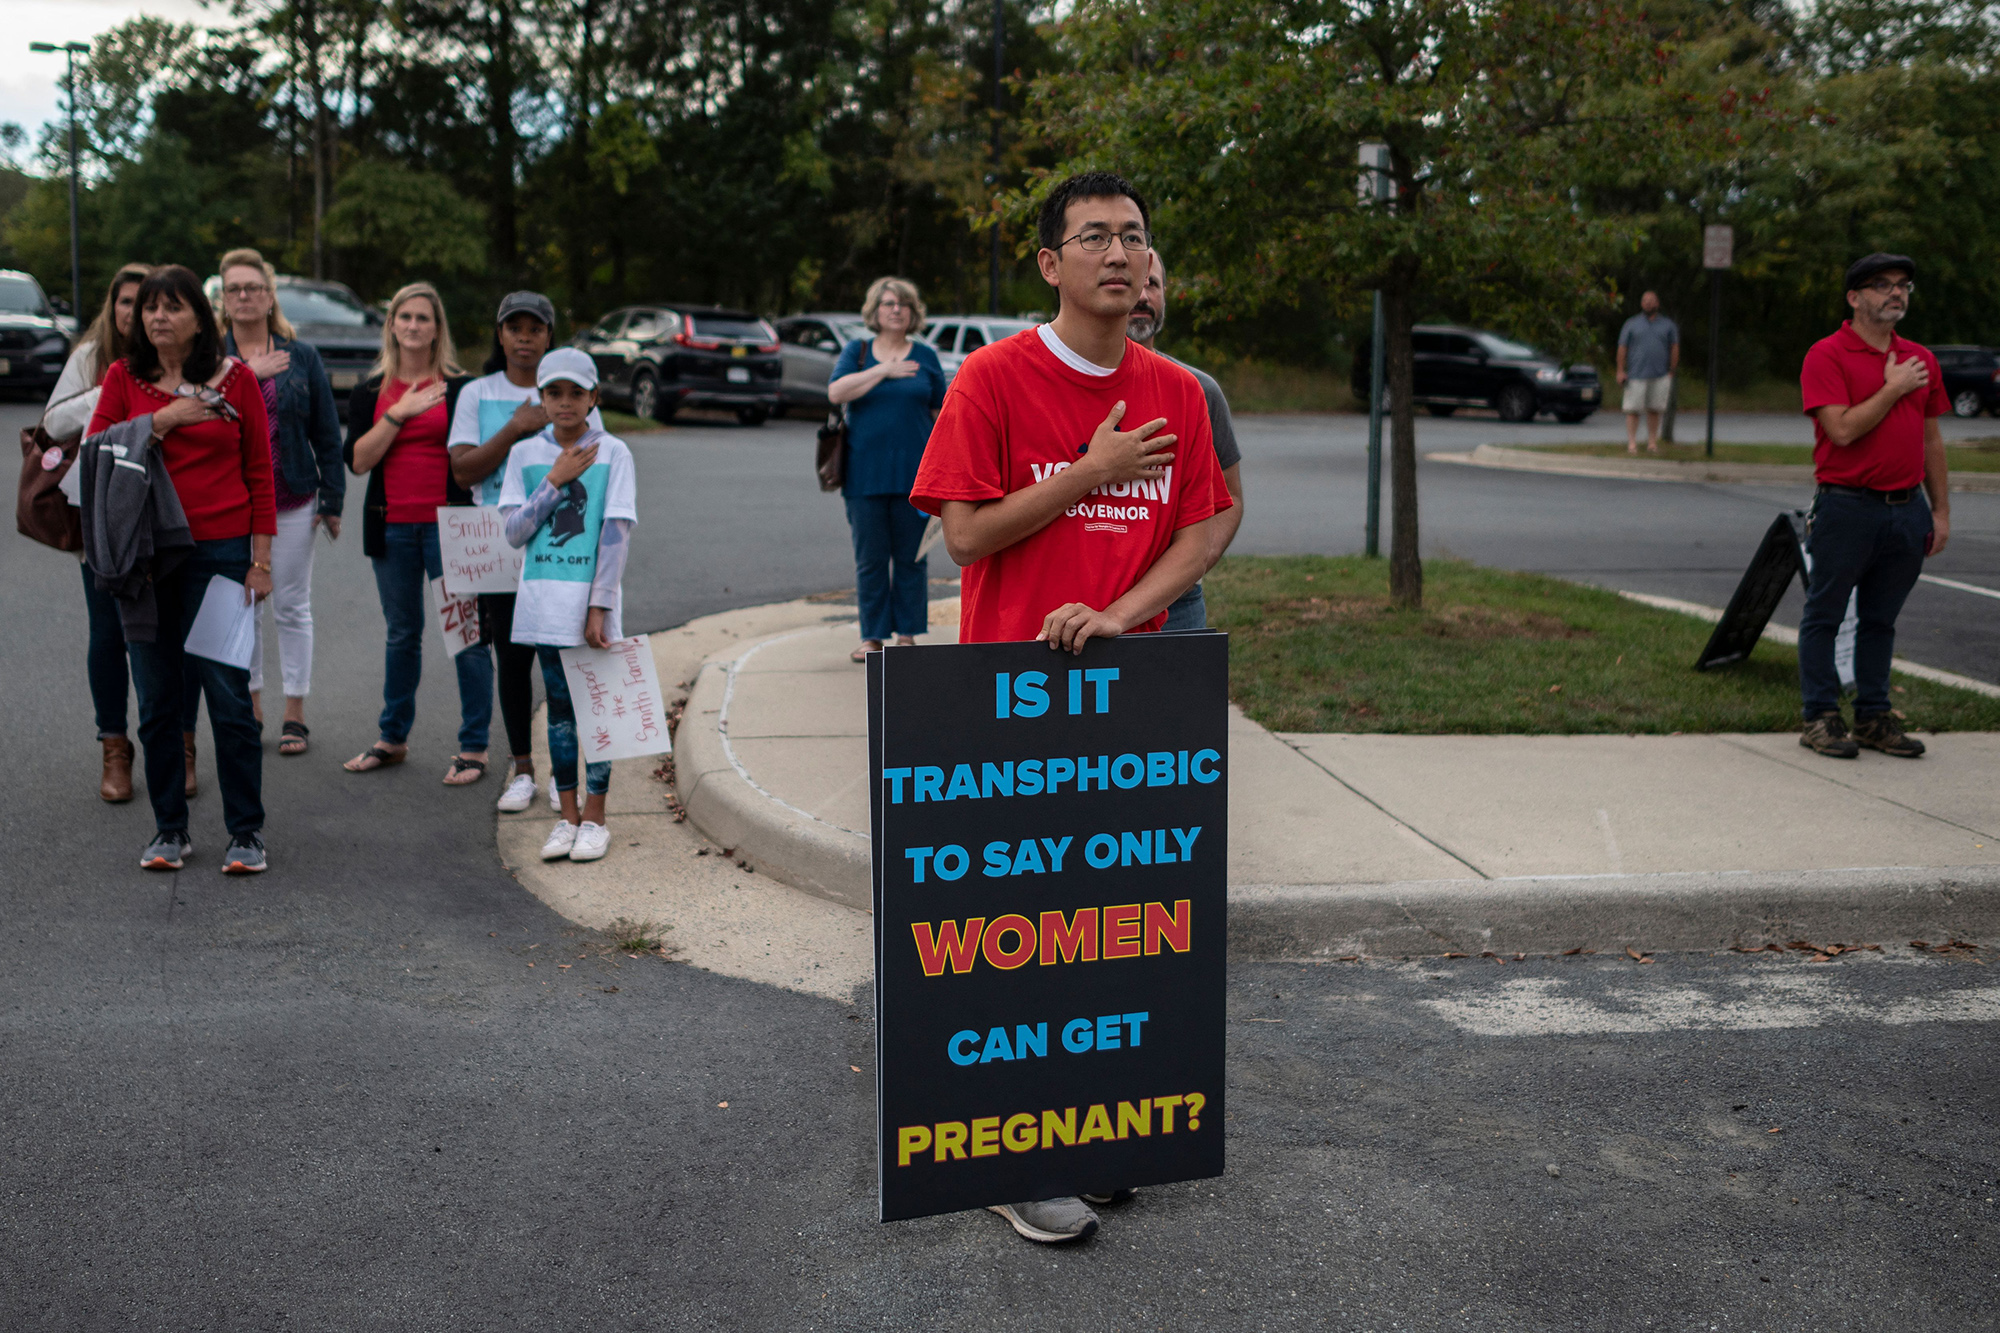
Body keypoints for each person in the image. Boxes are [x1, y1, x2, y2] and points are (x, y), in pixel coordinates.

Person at [909, 170, 1231, 1244]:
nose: (1115, 253)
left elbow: (1207, 526)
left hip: (1127, 698)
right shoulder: (992, 380)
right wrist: (1088, 472)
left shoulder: (1175, 390)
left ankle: (1087, 1135)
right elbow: (962, 537)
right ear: (1050, 264)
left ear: (1147, 264)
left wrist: (1124, 611)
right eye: (1090, 236)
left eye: (1131, 236)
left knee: (1107, 938)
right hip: (1006, 702)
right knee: (1016, 935)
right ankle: (1011, 1159)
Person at [85, 265, 275, 873]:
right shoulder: (123, 377)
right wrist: (165, 421)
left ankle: (246, 833)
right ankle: (170, 829)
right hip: (145, 559)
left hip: (220, 556)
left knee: (227, 697)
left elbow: (260, 474)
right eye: (148, 308)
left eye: (171, 307)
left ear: (201, 318)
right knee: (160, 701)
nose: (157, 317)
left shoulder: (237, 380)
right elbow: (94, 451)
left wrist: (261, 562)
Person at [184, 248, 343, 767]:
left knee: (292, 605)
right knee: (242, 607)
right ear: (223, 301)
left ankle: (294, 708)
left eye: (254, 287)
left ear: (270, 296)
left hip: (294, 496)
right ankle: (250, 705)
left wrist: (333, 496)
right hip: (233, 502)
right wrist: (246, 373)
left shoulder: (303, 357)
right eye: (235, 289)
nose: (245, 296)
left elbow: (325, 429)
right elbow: (194, 414)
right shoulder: (206, 361)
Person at [449, 291, 603, 814]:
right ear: (500, 335)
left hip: (562, 543)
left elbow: (598, 469)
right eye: (513, 328)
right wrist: (516, 427)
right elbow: (464, 471)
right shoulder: (477, 393)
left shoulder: (573, 398)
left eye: (534, 329)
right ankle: (522, 769)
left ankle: (570, 774)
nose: (523, 338)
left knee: (568, 658)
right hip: (497, 540)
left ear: (548, 336)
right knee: (511, 660)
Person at [1795, 252, 1949, 760]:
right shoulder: (1827, 355)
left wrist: (1940, 510)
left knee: (1881, 620)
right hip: (1846, 507)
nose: (1896, 293)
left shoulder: (1920, 358)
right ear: (1855, 297)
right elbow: (1839, 430)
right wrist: (1892, 388)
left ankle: (1873, 718)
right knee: (1826, 615)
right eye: (1882, 285)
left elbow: (1931, 440)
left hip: (1906, 511)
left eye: (1903, 284)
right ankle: (1819, 717)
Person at [341, 282, 489, 782]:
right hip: (393, 527)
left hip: (452, 527)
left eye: (423, 318)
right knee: (402, 635)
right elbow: (359, 462)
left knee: (465, 636)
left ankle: (474, 747)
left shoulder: (463, 388)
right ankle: (392, 738)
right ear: (392, 325)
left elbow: (479, 459)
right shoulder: (369, 390)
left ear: (436, 328)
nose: (412, 326)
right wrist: (398, 414)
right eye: (404, 317)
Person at [497, 348, 638, 864]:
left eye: (576, 393)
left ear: (593, 397)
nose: (564, 403)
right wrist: (554, 480)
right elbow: (513, 532)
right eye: (553, 393)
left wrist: (598, 605)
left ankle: (596, 820)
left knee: (596, 709)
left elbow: (616, 531)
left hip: (590, 605)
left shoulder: (615, 452)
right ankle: (568, 818)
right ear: (540, 397)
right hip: (543, 605)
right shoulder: (525, 455)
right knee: (558, 711)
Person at [43, 261, 152, 803]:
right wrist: (109, 386)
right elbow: (54, 423)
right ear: (113, 307)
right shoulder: (91, 357)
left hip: (165, 516)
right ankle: (114, 746)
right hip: (100, 515)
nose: (135, 312)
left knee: (163, 636)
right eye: (126, 301)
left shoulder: (179, 355)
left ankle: (178, 745)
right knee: (108, 634)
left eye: (147, 300)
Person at [827, 277, 947, 661]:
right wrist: (883, 371)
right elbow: (836, 392)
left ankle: (907, 635)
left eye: (903, 304)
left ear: (912, 313)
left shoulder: (925, 356)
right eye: (888, 303)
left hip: (916, 477)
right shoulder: (858, 351)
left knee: (912, 557)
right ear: (875, 312)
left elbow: (940, 413)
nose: (896, 309)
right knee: (871, 559)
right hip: (864, 476)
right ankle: (872, 637)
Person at [1126, 251, 1245, 630]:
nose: (1143, 296)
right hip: (1082, 599)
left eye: (1154, 284)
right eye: (1135, 282)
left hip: (1176, 610)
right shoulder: (1070, 385)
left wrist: (1185, 571)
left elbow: (1229, 500)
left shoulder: (1198, 390)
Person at [1616, 291, 1679, 455]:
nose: (1648, 303)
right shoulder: (1631, 324)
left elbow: (1674, 347)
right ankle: (1632, 444)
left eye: (1651, 301)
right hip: (1636, 375)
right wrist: (1620, 370)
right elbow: (1622, 348)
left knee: (1654, 409)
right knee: (1633, 410)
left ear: (1657, 303)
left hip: (1659, 375)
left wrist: (1672, 370)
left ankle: (1652, 443)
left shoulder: (1667, 325)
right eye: (1645, 300)